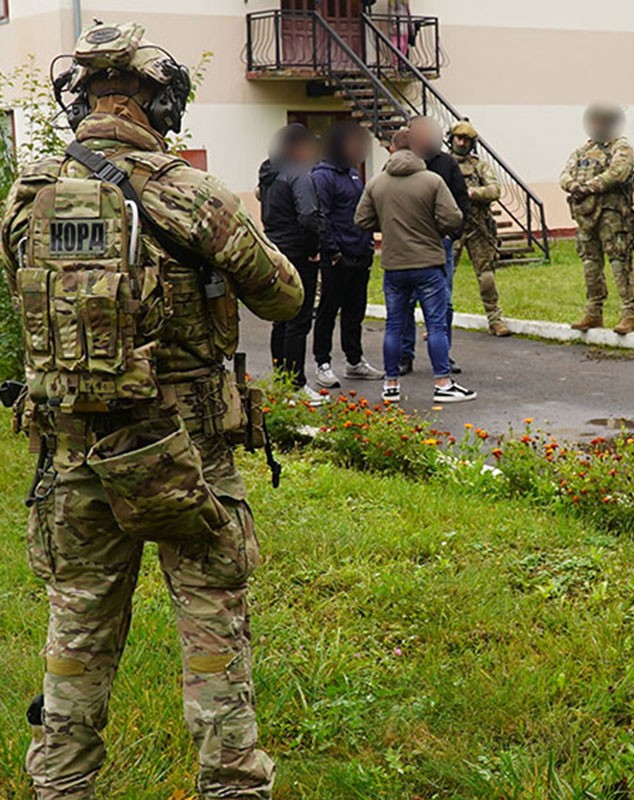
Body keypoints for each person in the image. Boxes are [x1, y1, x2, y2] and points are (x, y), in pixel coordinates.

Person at [0, 22, 303, 799]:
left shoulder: (28, 194)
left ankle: (60, 783)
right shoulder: (189, 192)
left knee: (77, 626)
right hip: (185, 453)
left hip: (72, 448)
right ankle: (232, 781)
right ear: (160, 104)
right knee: (212, 620)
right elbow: (283, 296)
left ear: (82, 104)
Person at [355, 129, 473, 404]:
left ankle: (391, 384)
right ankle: (443, 383)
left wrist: (389, 226)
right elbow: (453, 217)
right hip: (428, 262)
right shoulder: (432, 181)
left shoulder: (377, 183)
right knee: (436, 323)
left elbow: (361, 219)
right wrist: (434, 230)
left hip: (394, 264)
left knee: (394, 325)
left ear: (392, 150)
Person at [311, 121, 385, 388]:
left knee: (355, 312)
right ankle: (322, 363)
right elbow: (322, 217)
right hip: (336, 257)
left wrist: (367, 244)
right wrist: (333, 251)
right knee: (328, 311)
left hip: (360, 254)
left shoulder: (353, 174)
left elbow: (362, 212)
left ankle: (354, 361)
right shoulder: (322, 176)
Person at [561, 102, 634, 335]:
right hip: (586, 216)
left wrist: (589, 187)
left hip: (612, 214)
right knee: (590, 263)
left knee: (619, 262)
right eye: (595, 121)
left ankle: (628, 314)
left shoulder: (621, 147)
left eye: (602, 121)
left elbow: (617, 173)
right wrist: (573, 186)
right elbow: (565, 174)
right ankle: (594, 312)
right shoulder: (583, 150)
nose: (598, 125)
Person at [398, 115, 470, 376]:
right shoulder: (398, 165)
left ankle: (443, 355)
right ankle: (405, 356)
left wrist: (452, 235)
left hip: (440, 245)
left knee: (444, 302)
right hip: (408, 245)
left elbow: (461, 202)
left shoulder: (446, 164)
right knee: (406, 303)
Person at [258, 123, 325, 403]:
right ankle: (296, 384)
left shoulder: (268, 174)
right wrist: (313, 249)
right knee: (298, 320)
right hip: (299, 253)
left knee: (281, 319)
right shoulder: (298, 175)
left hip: (275, 250)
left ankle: (282, 381)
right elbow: (308, 215)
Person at [449, 119, 513, 337]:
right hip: (451, 228)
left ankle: (495, 319)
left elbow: (495, 190)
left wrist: (472, 193)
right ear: (451, 139)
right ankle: (436, 322)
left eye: (467, 139)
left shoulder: (480, 166)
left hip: (478, 228)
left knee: (486, 276)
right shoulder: (443, 164)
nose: (462, 143)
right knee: (444, 275)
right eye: (459, 138)